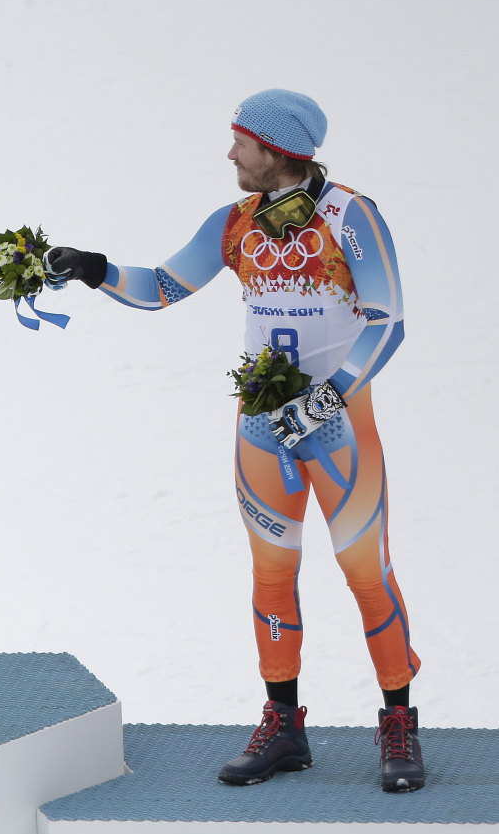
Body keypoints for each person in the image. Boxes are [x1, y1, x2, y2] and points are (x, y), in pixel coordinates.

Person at [43, 89, 424, 792]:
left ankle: (398, 719)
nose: (230, 154)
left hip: (338, 424)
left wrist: (326, 395)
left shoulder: (351, 215)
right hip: (261, 424)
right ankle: (285, 724)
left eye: (240, 142)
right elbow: (162, 286)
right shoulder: (236, 222)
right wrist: (93, 267)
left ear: (277, 151)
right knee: (272, 575)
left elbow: (388, 321)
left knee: (366, 573)